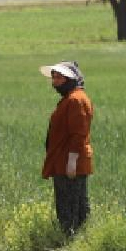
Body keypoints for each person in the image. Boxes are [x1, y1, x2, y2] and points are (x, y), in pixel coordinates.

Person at [40, 61, 93, 235]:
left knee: (70, 208)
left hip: (69, 164)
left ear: (70, 79)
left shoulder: (75, 100)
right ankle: (75, 241)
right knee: (73, 206)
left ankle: (71, 243)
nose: (54, 82)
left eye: (59, 77)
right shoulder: (70, 99)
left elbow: (79, 133)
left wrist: (72, 160)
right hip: (63, 162)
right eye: (53, 77)